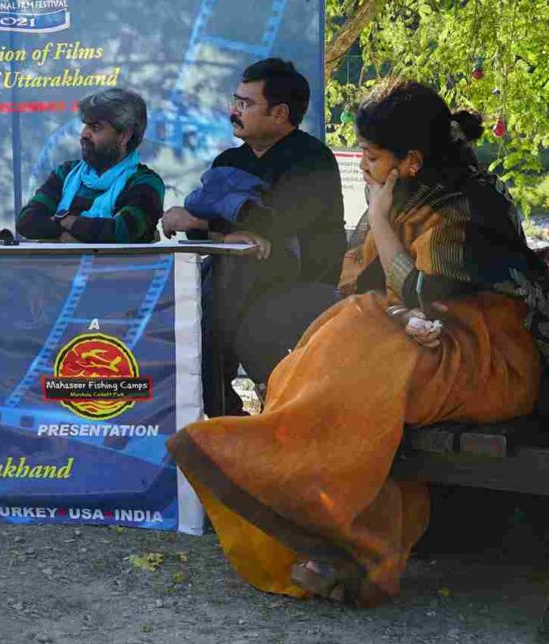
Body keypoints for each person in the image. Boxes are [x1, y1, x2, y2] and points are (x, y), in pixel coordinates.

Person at [167, 80, 549, 607]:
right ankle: (335, 535)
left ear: (411, 161)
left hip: (483, 356)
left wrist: (382, 221)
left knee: (358, 340)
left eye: (371, 155)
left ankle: (298, 495)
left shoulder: (468, 205)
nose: (363, 164)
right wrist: (393, 301)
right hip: (418, 340)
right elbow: (368, 293)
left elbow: (421, 291)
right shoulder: (393, 196)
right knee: (346, 329)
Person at [161, 58, 345, 413]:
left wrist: (202, 223)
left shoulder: (312, 160)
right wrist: (223, 233)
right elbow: (229, 234)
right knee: (198, 307)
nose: (234, 111)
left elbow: (276, 224)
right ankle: (221, 418)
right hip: (237, 280)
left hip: (302, 281)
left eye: (246, 104)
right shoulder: (229, 161)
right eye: (235, 101)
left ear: (279, 114)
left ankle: (259, 417)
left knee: (240, 303)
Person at [16, 88, 164, 243]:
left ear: (124, 136)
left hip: (117, 268)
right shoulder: (66, 173)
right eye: (85, 125)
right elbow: (27, 221)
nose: (84, 134)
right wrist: (73, 234)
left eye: (95, 128)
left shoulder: (145, 182)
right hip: (58, 267)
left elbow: (120, 231)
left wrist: (65, 221)